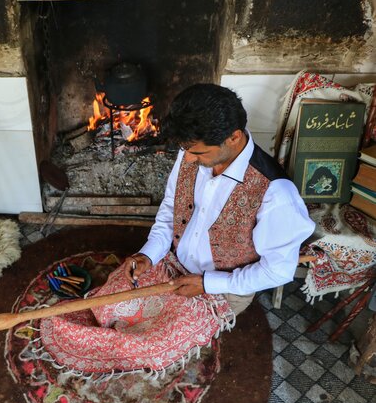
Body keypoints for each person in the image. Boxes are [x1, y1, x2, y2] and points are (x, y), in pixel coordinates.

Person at [121, 83, 316, 315]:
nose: (189, 160)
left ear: (233, 137)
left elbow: (277, 271)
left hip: (225, 289)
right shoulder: (192, 150)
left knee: (147, 344)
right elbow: (171, 209)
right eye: (186, 150)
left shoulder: (276, 193)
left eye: (197, 153)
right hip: (173, 264)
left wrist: (207, 283)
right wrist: (148, 254)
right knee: (110, 309)